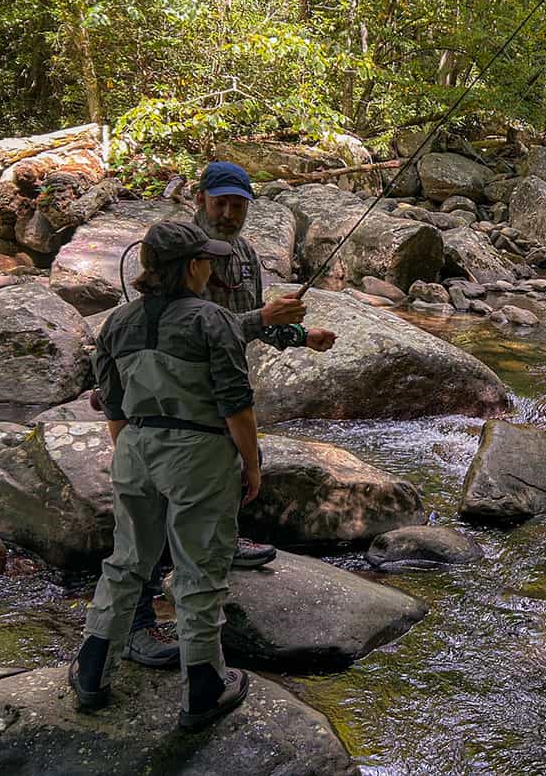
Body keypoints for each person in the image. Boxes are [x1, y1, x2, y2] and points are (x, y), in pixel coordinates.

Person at [124, 161, 337, 669]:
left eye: (236, 205)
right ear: (199, 199)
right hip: (173, 400)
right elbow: (182, 329)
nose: (227, 213)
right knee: (153, 514)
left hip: (223, 388)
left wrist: (299, 335)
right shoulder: (174, 252)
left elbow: (253, 325)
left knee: (228, 474)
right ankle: (137, 625)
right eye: (218, 203)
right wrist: (261, 318)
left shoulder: (244, 254)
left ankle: (227, 539)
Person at [69, 221, 257, 730]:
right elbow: (235, 406)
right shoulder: (212, 320)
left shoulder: (117, 323)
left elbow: (111, 404)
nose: (212, 268)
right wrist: (252, 465)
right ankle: (203, 687)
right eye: (206, 260)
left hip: (134, 446)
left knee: (127, 562)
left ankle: (91, 672)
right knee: (199, 570)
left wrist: (135, 454)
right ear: (192, 267)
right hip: (199, 452)